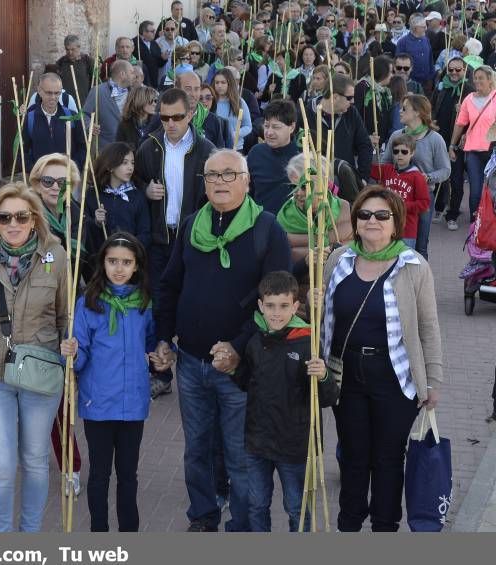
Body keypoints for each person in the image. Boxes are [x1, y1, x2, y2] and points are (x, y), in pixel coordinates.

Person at [154, 149, 292, 532]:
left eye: (229, 175)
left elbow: (276, 304)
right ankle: (203, 514)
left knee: (239, 453)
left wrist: (237, 346)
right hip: (191, 360)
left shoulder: (267, 229)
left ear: (247, 181)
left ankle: (245, 523)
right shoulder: (189, 226)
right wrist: (164, 338)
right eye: (212, 175)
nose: (219, 182)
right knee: (196, 448)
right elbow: (169, 286)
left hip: (241, 367)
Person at [322, 185, 442, 532]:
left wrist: (433, 380)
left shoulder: (413, 266)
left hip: (395, 377)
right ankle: (349, 524)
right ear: (355, 221)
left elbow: (428, 326)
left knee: (388, 458)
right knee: (354, 456)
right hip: (347, 376)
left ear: (395, 223)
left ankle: (385, 525)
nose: (372, 221)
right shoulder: (339, 259)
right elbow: (323, 317)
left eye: (381, 215)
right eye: (364, 214)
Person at [0, 183, 68, 532]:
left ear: (34, 219)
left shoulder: (56, 255)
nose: (14, 223)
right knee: (1, 466)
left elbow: (66, 315)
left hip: (40, 368)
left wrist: (71, 345)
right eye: (5, 217)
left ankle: (30, 534)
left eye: (22, 216)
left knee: (35, 461)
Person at [60, 233, 159, 532]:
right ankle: (99, 533)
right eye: (112, 261)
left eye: (126, 262)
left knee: (128, 474)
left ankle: (129, 533)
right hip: (99, 403)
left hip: (133, 404)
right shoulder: (88, 303)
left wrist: (162, 353)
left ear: (137, 266)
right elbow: (81, 354)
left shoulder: (143, 302)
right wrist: (72, 353)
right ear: (102, 263)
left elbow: (152, 341)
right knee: (100, 474)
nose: (119, 268)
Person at [234, 271, 338, 532]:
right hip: (257, 442)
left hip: (295, 446)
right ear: (260, 306)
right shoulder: (255, 341)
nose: (276, 313)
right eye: (270, 306)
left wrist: (323, 375)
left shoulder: (308, 342)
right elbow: (244, 382)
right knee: (257, 504)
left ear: (295, 306)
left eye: (283, 306)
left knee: (296, 507)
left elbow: (328, 398)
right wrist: (230, 368)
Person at [134, 87, 215, 398]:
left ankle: (202, 368)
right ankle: (162, 372)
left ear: (191, 115)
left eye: (177, 117)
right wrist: (145, 189)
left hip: (194, 240)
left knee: (195, 303)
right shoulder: (150, 147)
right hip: (160, 238)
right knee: (161, 304)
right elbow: (135, 177)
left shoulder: (206, 150)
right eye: (164, 118)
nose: (170, 123)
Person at [28, 154, 87, 490]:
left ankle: (70, 466)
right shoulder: (27, 216)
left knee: (62, 395)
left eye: (63, 182)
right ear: (36, 183)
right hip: (35, 316)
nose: (54, 187)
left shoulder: (77, 215)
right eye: (47, 181)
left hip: (70, 310)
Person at [382, 94, 450, 258]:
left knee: (420, 246)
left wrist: (427, 177)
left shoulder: (435, 139)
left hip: (423, 197)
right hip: (397, 197)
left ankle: (421, 282)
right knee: (392, 243)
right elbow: (385, 164)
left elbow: (445, 170)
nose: (400, 111)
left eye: (404, 108)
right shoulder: (396, 136)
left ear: (418, 113)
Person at [302, 74, 373, 183]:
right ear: (335, 97)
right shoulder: (306, 113)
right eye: (349, 98)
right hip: (316, 182)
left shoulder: (351, 112)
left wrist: (362, 178)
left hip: (346, 181)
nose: (353, 101)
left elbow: (365, 145)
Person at [431, 57, 473, 231]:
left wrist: (463, 111)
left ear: (464, 71)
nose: (454, 73)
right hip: (440, 138)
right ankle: (440, 207)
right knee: (441, 174)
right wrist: (431, 122)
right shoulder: (441, 87)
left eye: (458, 70)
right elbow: (431, 107)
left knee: (456, 179)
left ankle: (453, 213)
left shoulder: (469, 90)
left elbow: (476, 117)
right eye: (451, 70)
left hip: (458, 141)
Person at [449, 65, 496, 222]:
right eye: (475, 78)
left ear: (490, 80)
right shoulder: (468, 99)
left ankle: (489, 225)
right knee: (475, 191)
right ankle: (474, 225)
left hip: (493, 152)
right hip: (473, 151)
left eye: (481, 78)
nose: (477, 81)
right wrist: (452, 145)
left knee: (492, 190)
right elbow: (460, 123)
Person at [86, 142, 151, 253]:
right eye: (124, 163)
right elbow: (84, 232)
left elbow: (145, 233)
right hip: (100, 260)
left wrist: (130, 249)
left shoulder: (137, 196)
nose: (130, 168)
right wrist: (96, 222)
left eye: (132, 163)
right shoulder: (93, 194)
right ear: (110, 166)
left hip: (129, 258)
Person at [372, 135, 431, 249]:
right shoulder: (386, 169)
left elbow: (424, 203)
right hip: (385, 227)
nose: (399, 155)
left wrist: (402, 205)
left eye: (404, 152)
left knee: (404, 263)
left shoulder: (417, 176)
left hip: (406, 230)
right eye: (396, 151)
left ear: (412, 153)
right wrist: (372, 147)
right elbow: (367, 169)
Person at [22, 72, 86, 174]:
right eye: (49, 93)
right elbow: (22, 152)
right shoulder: (29, 118)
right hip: (40, 179)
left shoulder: (71, 117)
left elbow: (82, 147)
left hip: (67, 178)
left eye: (57, 93)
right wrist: (35, 170)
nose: (53, 97)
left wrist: (73, 168)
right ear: (39, 91)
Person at [248, 99, 300, 214]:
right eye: (266, 126)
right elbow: (247, 191)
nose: (269, 132)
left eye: (276, 127)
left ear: (291, 127)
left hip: (292, 225)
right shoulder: (256, 153)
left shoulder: (302, 158)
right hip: (260, 222)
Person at [84, 60, 135, 150]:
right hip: (105, 149)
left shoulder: (134, 93)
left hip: (128, 149)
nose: (134, 76)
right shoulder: (98, 91)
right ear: (122, 74)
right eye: (131, 73)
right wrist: (89, 125)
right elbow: (85, 114)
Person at [354, 55, 394, 152]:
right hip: (365, 144)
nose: (392, 75)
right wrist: (366, 136)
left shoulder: (384, 91)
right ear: (382, 72)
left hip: (380, 145)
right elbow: (357, 115)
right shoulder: (363, 87)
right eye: (391, 72)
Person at [177, 70, 226, 148]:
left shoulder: (213, 120)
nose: (193, 94)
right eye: (188, 89)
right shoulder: (167, 117)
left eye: (196, 89)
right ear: (177, 90)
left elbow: (218, 153)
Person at [396, 16, 434, 93]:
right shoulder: (403, 42)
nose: (426, 29)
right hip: (410, 84)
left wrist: (431, 77)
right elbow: (398, 62)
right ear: (415, 28)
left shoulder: (426, 40)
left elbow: (430, 59)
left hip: (426, 83)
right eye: (423, 27)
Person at [116, 85, 161, 150]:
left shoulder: (158, 122)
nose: (155, 104)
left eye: (156, 101)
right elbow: (120, 150)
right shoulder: (124, 125)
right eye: (152, 101)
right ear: (141, 101)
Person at [56, 34, 94, 102]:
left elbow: (94, 83)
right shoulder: (60, 63)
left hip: (84, 104)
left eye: (73, 49)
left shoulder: (87, 61)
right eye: (67, 49)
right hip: (66, 104)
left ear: (79, 47)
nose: (70, 52)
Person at [134, 20, 167, 88]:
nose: (155, 33)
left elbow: (159, 64)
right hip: (139, 82)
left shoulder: (154, 43)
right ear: (144, 32)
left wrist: (163, 59)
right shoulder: (134, 43)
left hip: (153, 82)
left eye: (154, 31)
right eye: (152, 31)